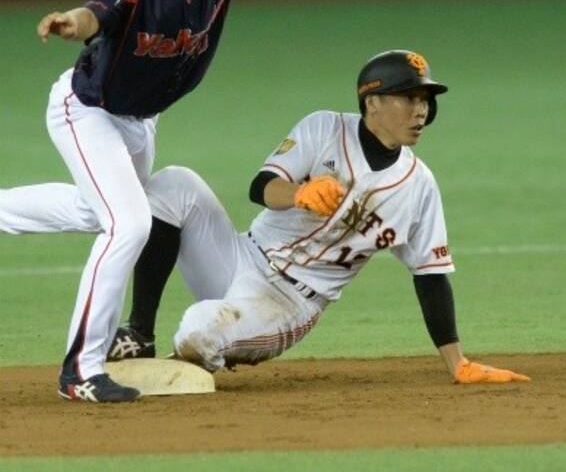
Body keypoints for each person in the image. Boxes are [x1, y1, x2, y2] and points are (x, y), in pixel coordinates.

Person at [0, 0, 415, 402]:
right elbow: (96, 12)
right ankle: (81, 369)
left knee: (103, 210)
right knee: (130, 224)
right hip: (87, 110)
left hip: (138, 121)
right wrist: (73, 23)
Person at [108, 50, 531, 385]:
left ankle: (208, 348)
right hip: (239, 256)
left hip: (288, 302)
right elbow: (261, 187)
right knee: (173, 184)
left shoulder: (419, 187)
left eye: (425, 101)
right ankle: (139, 332)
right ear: (373, 101)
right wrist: (300, 193)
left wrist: (458, 363)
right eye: (410, 98)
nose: (421, 110)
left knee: (197, 332)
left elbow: (431, 276)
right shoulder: (324, 128)